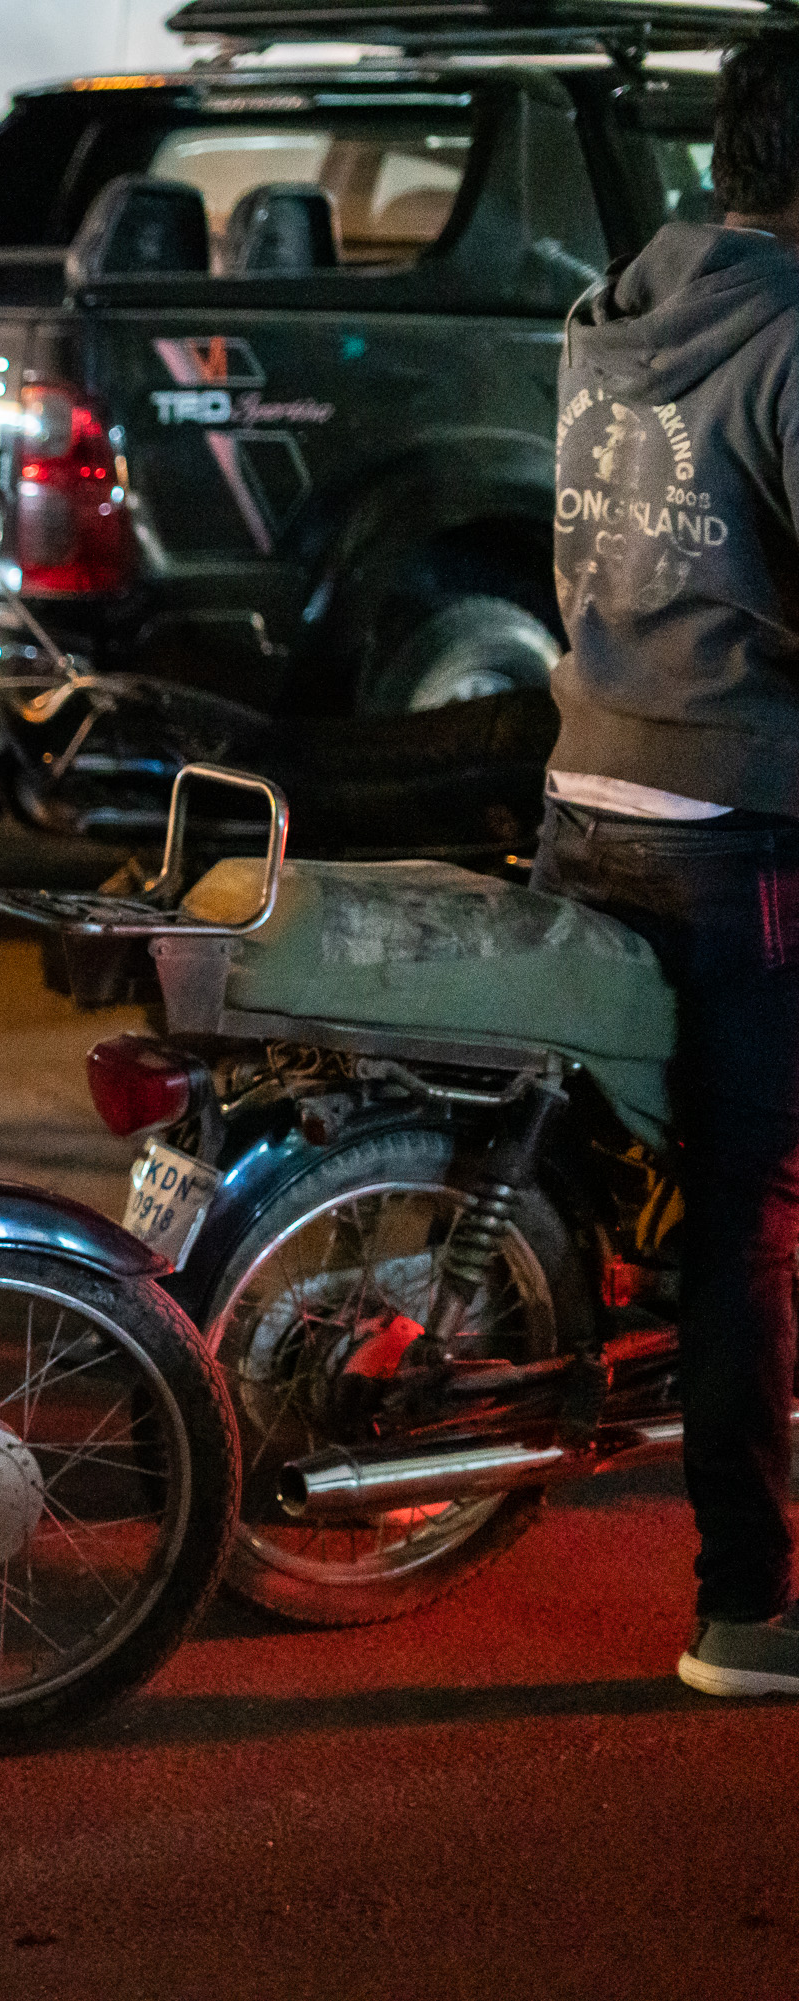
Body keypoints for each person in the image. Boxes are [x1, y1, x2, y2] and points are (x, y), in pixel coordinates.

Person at [534, 27, 799, 1699]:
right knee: (751, 1205)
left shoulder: (614, 311)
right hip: (732, 823)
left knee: (672, 1168)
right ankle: (748, 1605)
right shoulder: (790, 338)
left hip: (588, 779)